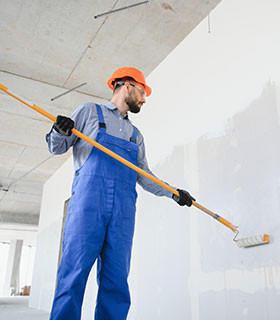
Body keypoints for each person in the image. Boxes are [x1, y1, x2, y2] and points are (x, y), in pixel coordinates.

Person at [46, 67, 195, 320]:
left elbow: (144, 175)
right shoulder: (89, 112)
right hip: (87, 207)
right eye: (142, 91)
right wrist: (59, 130)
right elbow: (56, 148)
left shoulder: (135, 135)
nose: (144, 99)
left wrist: (173, 193)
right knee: (73, 275)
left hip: (123, 213)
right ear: (126, 85)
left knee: (116, 281)